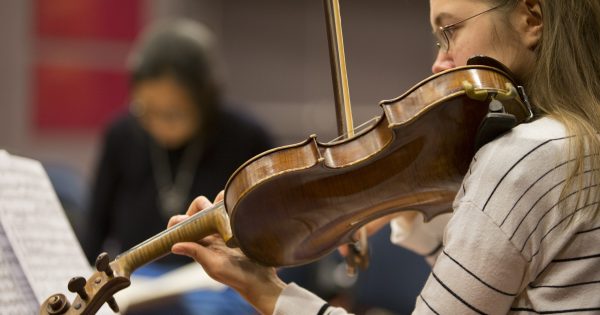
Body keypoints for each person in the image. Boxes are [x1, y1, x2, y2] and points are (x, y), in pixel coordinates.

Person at [167, 0, 600, 314]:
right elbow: (500, 281)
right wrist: (403, 195)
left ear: (531, 18)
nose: (440, 61)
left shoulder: (523, 158)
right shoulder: (577, 142)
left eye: (449, 31)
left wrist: (266, 292)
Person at [82, 19, 273, 314]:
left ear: (205, 99)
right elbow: (95, 228)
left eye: (172, 113)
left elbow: (269, 234)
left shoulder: (246, 136)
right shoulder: (121, 135)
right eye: (145, 110)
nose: (157, 123)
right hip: (138, 282)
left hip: (217, 284)